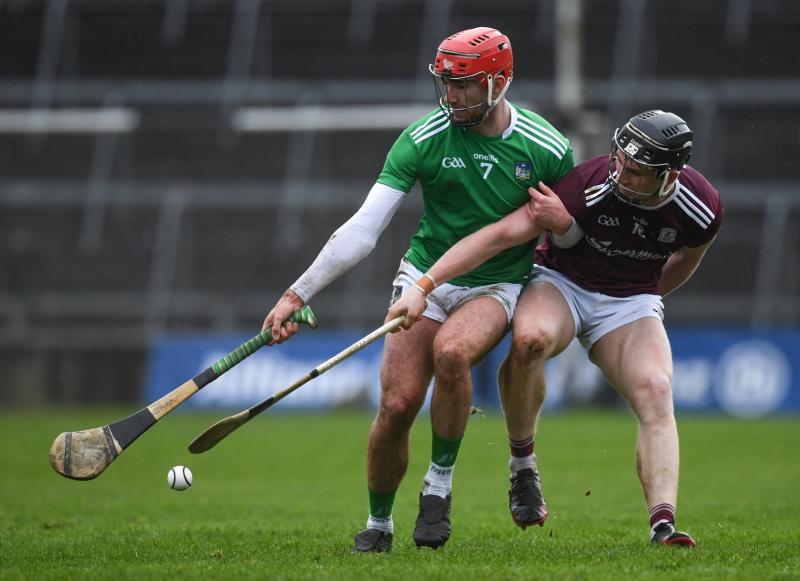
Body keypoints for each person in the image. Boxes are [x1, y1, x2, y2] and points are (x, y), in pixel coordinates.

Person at [262, 27, 574, 552]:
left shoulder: (546, 148)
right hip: (423, 278)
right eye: (445, 83)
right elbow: (364, 229)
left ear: (499, 83)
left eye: (465, 85)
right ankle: (378, 524)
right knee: (397, 404)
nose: (451, 96)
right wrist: (297, 294)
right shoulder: (424, 138)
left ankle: (438, 489)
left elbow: (569, 234)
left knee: (454, 354)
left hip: (495, 284)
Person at [387, 110, 723, 548]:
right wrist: (427, 283)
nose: (620, 172)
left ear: (670, 175)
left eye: (636, 170)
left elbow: (687, 261)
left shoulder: (701, 207)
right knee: (529, 342)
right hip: (562, 284)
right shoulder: (588, 182)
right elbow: (501, 234)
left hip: (629, 301)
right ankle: (523, 465)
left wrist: (642, 299)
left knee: (656, 391)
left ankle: (663, 526)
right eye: (619, 159)